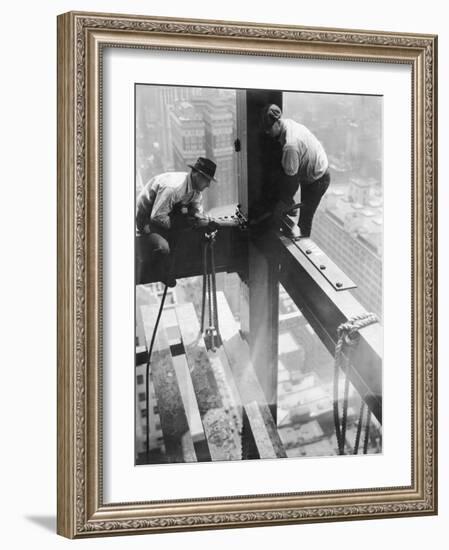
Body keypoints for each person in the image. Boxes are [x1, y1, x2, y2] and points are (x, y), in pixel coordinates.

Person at [136, 157, 218, 287]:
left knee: (187, 233)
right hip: (145, 220)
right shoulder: (174, 188)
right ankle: (160, 272)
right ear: (196, 174)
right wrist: (181, 223)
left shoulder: (195, 190)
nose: (208, 185)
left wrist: (202, 220)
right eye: (207, 180)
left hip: (164, 216)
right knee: (164, 246)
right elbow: (157, 217)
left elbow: (197, 210)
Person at [260, 104, 330, 239]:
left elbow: (291, 181)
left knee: (305, 219)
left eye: (269, 128)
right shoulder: (287, 124)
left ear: (277, 122)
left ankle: (303, 248)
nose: (267, 132)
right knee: (287, 203)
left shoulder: (290, 145)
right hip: (309, 171)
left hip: (318, 179)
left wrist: (284, 203)